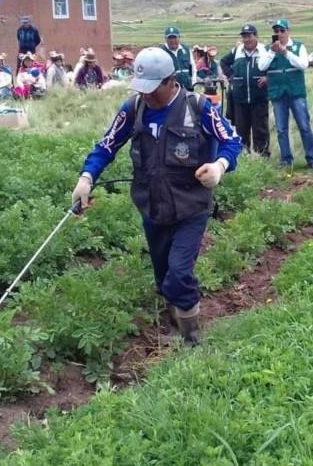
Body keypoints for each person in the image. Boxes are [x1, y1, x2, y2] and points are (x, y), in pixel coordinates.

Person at [70, 47, 242, 345]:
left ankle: (192, 341)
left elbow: (232, 140)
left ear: (171, 81)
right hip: (152, 207)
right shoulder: (134, 108)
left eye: (152, 89)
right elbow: (106, 146)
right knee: (163, 277)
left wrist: (219, 166)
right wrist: (86, 178)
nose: (146, 95)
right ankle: (174, 329)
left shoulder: (198, 108)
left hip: (191, 208)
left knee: (179, 273)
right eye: (141, 88)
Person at [258, 19, 313, 169]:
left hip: (296, 92)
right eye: (276, 31)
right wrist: (273, 51)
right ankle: (286, 160)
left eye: (282, 30)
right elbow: (261, 66)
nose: (279, 34)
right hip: (278, 93)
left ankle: (311, 159)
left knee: (304, 126)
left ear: (288, 31)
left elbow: (303, 64)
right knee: (281, 129)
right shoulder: (267, 49)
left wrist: (285, 52)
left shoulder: (298, 46)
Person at [220, 24, 270, 156]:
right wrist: (231, 76)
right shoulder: (237, 51)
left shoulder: (265, 51)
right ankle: (243, 157)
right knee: (241, 130)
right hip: (240, 98)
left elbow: (273, 66)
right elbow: (224, 62)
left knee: (260, 130)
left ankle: (262, 157)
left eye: (249, 36)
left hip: (259, 97)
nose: (247, 39)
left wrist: (267, 77)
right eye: (244, 36)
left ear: (256, 36)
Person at [161, 26, 195, 91]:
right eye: (170, 38)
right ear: (165, 38)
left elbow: (193, 69)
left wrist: (193, 84)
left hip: (188, 88)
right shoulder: (161, 52)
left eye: (174, 37)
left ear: (179, 37)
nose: (172, 40)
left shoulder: (186, 49)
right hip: (171, 90)